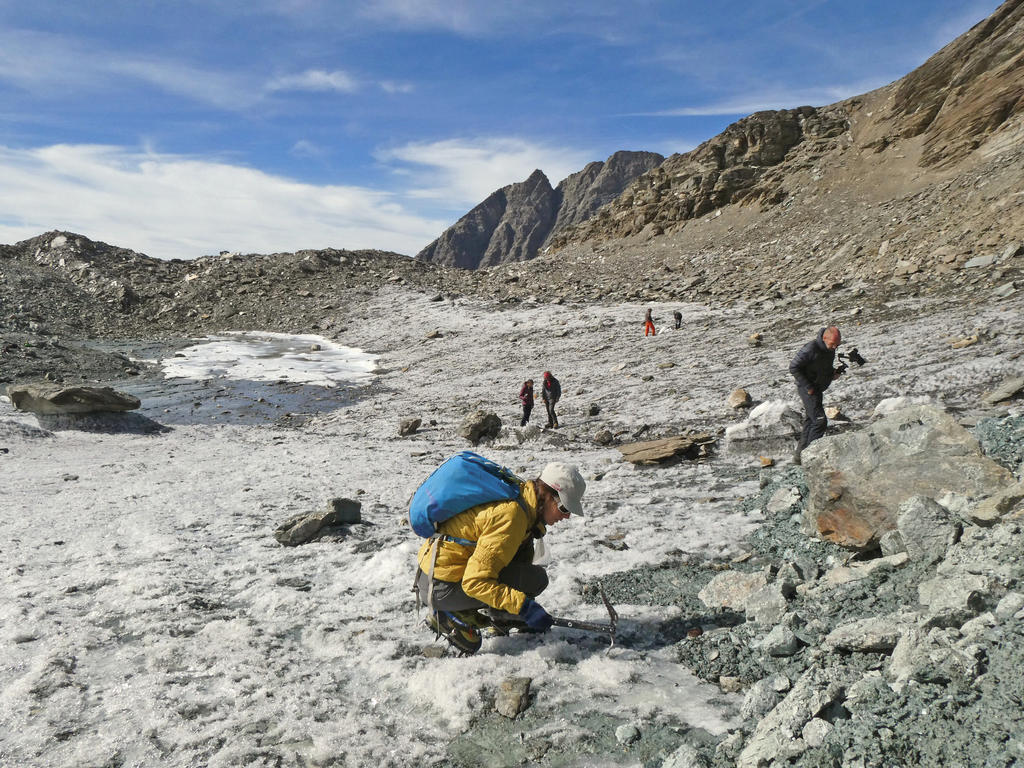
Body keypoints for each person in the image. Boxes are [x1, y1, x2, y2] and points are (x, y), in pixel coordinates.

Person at [414, 462, 587, 654]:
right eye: (564, 508)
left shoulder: (524, 503)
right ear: (547, 496)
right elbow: (475, 582)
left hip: (441, 576)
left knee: (532, 577)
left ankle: (502, 616)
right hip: (439, 587)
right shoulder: (512, 516)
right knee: (535, 579)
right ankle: (448, 615)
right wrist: (523, 607)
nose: (567, 516)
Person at [789, 325, 843, 463]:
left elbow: (822, 367)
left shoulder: (828, 349)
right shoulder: (810, 348)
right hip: (808, 389)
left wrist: (832, 374)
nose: (835, 348)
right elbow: (794, 367)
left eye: (837, 345)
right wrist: (808, 387)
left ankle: (799, 457)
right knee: (820, 421)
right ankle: (810, 457)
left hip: (817, 388)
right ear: (825, 338)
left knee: (811, 420)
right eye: (833, 344)